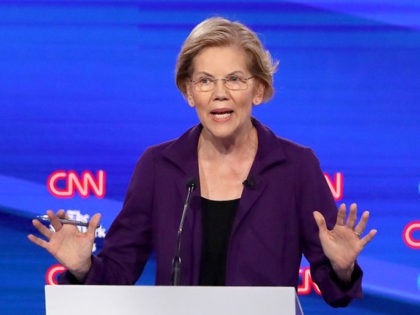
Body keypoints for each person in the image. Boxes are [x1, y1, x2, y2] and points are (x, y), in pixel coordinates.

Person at [28, 17, 377, 307]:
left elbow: (336, 294)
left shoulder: (296, 167)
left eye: (235, 79)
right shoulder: (158, 167)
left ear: (258, 90)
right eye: (205, 81)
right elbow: (119, 273)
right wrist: (84, 267)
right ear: (189, 92)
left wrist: (342, 267)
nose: (220, 93)